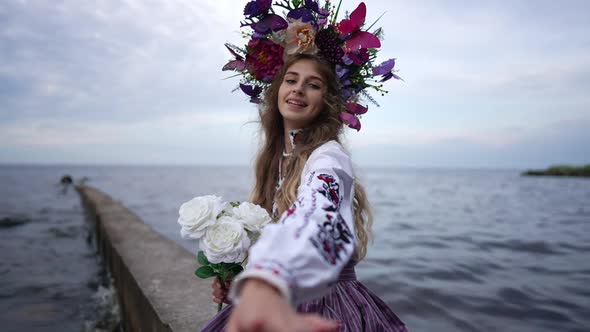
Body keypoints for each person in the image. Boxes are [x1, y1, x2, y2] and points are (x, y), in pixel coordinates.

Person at [200, 53, 408, 331]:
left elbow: (315, 211)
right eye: (291, 80)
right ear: (278, 91)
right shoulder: (276, 160)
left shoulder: (329, 158)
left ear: (327, 101)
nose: (298, 88)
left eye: (313, 84)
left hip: (328, 305)